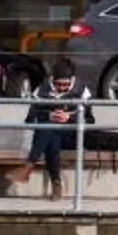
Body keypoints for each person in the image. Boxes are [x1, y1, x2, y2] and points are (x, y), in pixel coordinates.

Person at [21, 61, 91, 194]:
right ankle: (56, 183)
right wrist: (48, 115)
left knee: (50, 132)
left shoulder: (82, 91)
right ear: (52, 80)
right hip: (47, 137)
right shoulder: (41, 91)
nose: (62, 88)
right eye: (59, 84)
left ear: (72, 81)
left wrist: (69, 118)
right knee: (51, 135)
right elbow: (30, 119)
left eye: (66, 85)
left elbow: (90, 120)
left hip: (71, 135)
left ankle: (29, 168)